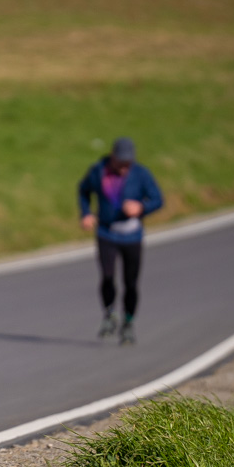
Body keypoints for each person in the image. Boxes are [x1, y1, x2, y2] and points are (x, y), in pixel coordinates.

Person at [78, 137, 162, 345]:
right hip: (107, 232)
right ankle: (109, 314)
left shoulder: (141, 174)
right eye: (121, 164)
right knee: (107, 276)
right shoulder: (98, 171)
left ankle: (128, 323)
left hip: (132, 235)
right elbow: (83, 190)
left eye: (128, 164)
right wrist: (86, 213)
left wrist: (141, 208)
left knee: (130, 283)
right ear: (112, 157)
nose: (124, 169)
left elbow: (158, 199)